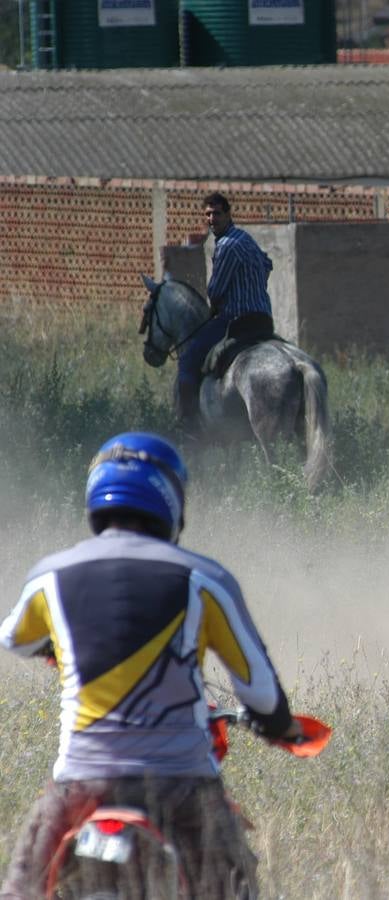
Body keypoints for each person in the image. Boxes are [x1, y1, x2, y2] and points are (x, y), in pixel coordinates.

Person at [0, 432, 300, 899]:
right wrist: (279, 726)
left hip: (82, 783)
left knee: (24, 887)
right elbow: (262, 694)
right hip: (181, 785)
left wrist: (61, 648)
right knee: (230, 887)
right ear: (171, 499)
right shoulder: (205, 579)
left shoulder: (50, 576)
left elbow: (14, 639)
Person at [176, 193, 275, 431]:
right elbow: (267, 264)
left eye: (217, 213)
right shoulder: (245, 238)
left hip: (236, 320)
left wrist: (217, 304)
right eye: (208, 214)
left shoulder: (227, 245)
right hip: (264, 319)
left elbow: (216, 291)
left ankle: (188, 424)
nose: (212, 219)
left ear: (228, 214)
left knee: (188, 359)